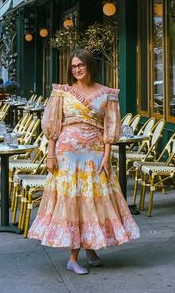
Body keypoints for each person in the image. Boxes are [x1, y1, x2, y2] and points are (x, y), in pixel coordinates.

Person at [28, 49, 139, 274]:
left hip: (95, 155)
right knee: (74, 202)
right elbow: (53, 126)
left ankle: (90, 249)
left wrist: (107, 157)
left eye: (81, 65)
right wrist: (50, 154)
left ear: (90, 66)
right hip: (67, 155)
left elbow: (110, 127)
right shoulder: (62, 93)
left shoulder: (107, 93)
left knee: (93, 201)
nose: (77, 69)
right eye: (73, 66)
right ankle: (72, 257)